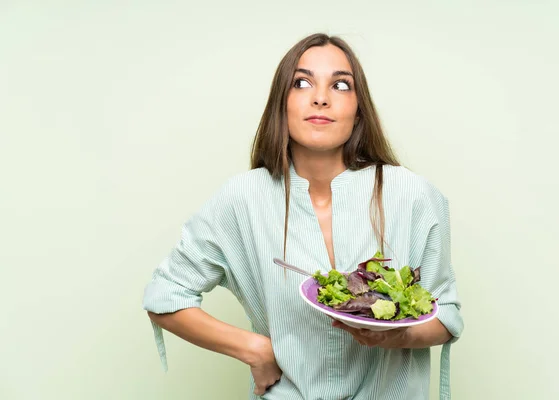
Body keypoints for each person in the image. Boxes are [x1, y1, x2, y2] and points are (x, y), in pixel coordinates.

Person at [142, 32, 464, 400]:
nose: (321, 97)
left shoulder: (414, 195)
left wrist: (399, 334)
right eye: (301, 82)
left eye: (340, 85)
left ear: (359, 109)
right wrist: (255, 349)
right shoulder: (243, 199)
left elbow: (446, 314)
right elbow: (165, 295)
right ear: (282, 103)